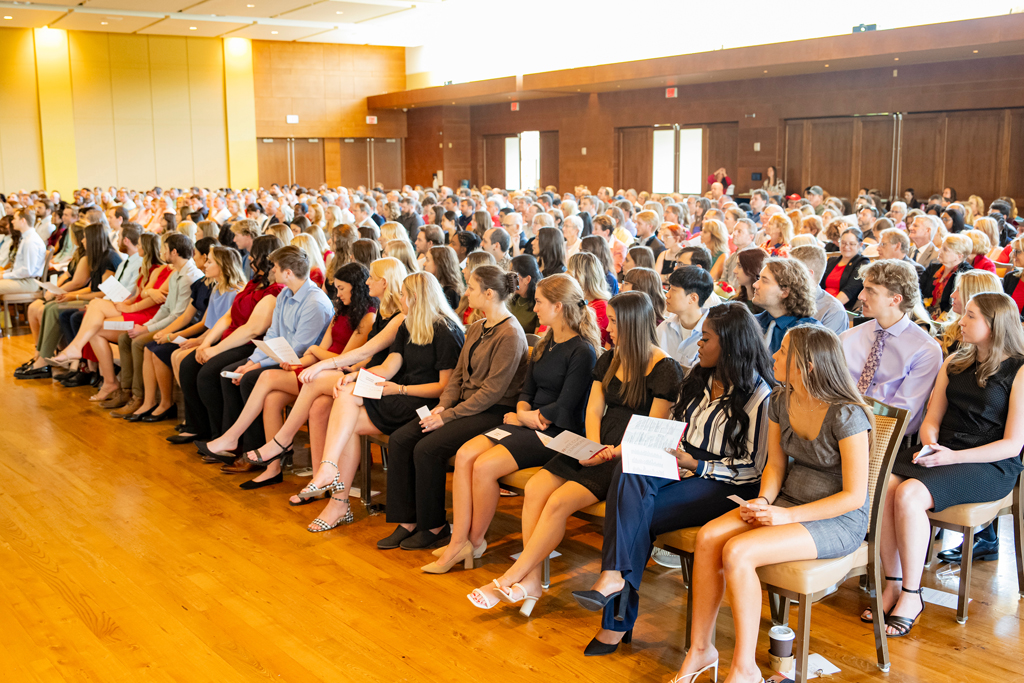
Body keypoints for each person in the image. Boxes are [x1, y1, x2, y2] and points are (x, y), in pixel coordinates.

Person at [674, 324, 872, 683]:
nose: (773, 356)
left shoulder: (846, 414)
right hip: (786, 500)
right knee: (707, 538)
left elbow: (854, 496)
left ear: (808, 365)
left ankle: (744, 669)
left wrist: (785, 515)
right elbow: (776, 466)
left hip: (838, 518)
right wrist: (764, 500)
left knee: (737, 552)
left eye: (782, 351)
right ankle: (701, 649)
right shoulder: (781, 399)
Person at [572, 303, 774, 655]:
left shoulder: (760, 395)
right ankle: (615, 582)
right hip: (680, 460)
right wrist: (660, 451)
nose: (698, 343)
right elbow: (674, 427)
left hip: (723, 481)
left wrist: (696, 466)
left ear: (728, 345)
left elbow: (752, 468)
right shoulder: (699, 377)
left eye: (706, 338)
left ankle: (614, 613)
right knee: (630, 470)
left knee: (632, 513)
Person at [467, 292, 683, 614]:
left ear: (632, 325)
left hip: (627, 455)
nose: (607, 328)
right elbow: (594, 410)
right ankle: (531, 582)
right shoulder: (611, 358)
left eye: (613, 321)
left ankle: (511, 577)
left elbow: (652, 430)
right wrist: (593, 445)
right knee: (537, 487)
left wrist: (609, 453)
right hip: (597, 444)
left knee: (557, 502)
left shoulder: (665, 368)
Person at [869, 293, 1024, 636]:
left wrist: (951, 456)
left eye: (970, 316)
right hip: (945, 449)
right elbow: (931, 418)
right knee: (885, 484)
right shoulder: (955, 360)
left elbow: (1013, 444)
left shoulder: (1020, 369)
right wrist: (930, 442)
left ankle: (912, 594)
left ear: (994, 325)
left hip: (990, 462)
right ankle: (892, 583)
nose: (960, 322)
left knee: (909, 494)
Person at [425, 275, 600, 573]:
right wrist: (523, 412)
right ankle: (459, 540)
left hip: (555, 431)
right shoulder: (545, 343)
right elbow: (526, 391)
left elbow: (565, 406)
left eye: (540, 302)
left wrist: (524, 416)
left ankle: (473, 541)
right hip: (528, 421)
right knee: (466, 455)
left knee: (484, 466)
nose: (535, 307)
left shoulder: (582, 350)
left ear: (558, 307)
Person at [290, 271, 465, 530]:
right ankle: (335, 493)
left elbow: (444, 388)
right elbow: (389, 366)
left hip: (423, 402)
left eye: (404, 295)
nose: (399, 299)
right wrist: (356, 377)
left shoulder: (445, 331)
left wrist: (400, 390)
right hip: (399, 392)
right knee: (347, 405)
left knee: (347, 414)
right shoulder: (409, 324)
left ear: (415, 298)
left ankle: (334, 491)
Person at [377, 265, 528, 551]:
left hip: (494, 412)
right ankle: (407, 520)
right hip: (463, 406)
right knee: (401, 439)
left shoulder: (510, 334)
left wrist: (448, 415)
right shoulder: (477, 327)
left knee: (428, 448)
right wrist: (442, 407)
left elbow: (491, 393)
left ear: (489, 293)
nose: (466, 292)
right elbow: (457, 376)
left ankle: (434, 525)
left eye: (471, 287)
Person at [197, 262, 377, 485]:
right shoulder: (341, 312)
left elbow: (344, 358)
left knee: (266, 377)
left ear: (356, 287)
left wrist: (312, 353)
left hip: (335, 371)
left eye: (342, 289)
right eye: (337, 289)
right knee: (272, 399)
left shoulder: (367, 317)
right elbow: (324, 349)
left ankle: (237, 437)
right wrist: (298, 363)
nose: (337, 295)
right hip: (320, 367)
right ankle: (273, 468)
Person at [175, 235, 285, 444]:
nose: (250, 258)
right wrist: (206, 343)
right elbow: (228, 316)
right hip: (232, 338)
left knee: (209, 374)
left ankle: (224, 436)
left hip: (250, 345)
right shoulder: (253, 283)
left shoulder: (274, 291)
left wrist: (215, 350)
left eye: (253, 254)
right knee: (189, 364)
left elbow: (253, 329)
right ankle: (200, 426)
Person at [841, 260, 942, 435]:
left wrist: (855, 431)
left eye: (870, 291)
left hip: (883, 435)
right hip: (837, 425)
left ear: (895, 299)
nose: (861, 296)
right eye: (864, 288)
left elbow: (903, 415)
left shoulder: (925, 350)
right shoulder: (848, 337)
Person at [753, 258, 820, 353]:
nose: (755, 285)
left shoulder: (808, 332)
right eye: (758, 279)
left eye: (764, 281)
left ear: (785, 292)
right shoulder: (753, 322)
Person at [656, 266, 714, 369]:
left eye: (673, 290)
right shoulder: (664, 327)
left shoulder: (711, 336)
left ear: (692, 298)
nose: (667, 295)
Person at [939, 269, 1002, 356]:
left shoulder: (989, 343)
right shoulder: (949, 328)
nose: (952, 295)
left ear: (977, 296)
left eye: (960, 290)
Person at [790, 245, 848, 336]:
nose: (784, 276)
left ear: (807, 275)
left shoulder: (832, 311)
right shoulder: (784, 298)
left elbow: (824, 349)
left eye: (791, 271)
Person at [922, 233, 974, 319]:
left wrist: (937, 324)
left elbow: (955, 306)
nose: (939, 250)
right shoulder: (933, 268)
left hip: (947, 319)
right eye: (941, 247)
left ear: (959, 256)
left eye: (945, 249)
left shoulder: (966, 274)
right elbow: (919, 291)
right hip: (925, 314)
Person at [568, 251, 612, 348]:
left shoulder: (602, 307)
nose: (565, 275)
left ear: (579, 277)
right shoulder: (578, 301)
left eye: (568, 272)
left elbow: (580, 340)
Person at [820, 227, 869, 310]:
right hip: (823, 304)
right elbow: (820, 286)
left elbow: (850, 290)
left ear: (860, 245)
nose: (846, 246)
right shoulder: (832, 261)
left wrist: (827, 308)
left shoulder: (862, 263)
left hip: (840, 308)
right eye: (843, 243)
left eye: (851, 244)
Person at [0, 208, 45, 295]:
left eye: (15, 219)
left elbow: (27, 271)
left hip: (28, 282)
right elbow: (19, 267)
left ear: (23, 221)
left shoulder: (31, 240)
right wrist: (5, 273)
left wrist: (4, 276)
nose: (12, 222)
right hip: (22, 279)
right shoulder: (26, 238)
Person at [508, 254, 541, 334]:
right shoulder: (512, 299)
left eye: (513, 275)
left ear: (527, 279)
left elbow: (536, 339)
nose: (509, 279)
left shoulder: (538, 305)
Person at [424, 245, 464, 309]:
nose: (424, 264)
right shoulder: (435, 285)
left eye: (428, 260)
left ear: (439, 263)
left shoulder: (450, 292)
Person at [731, 248, 766, 314]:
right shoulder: (734, 301)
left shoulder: (765, 309)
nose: (734, 271)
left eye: (740, 266)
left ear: (753, 269)